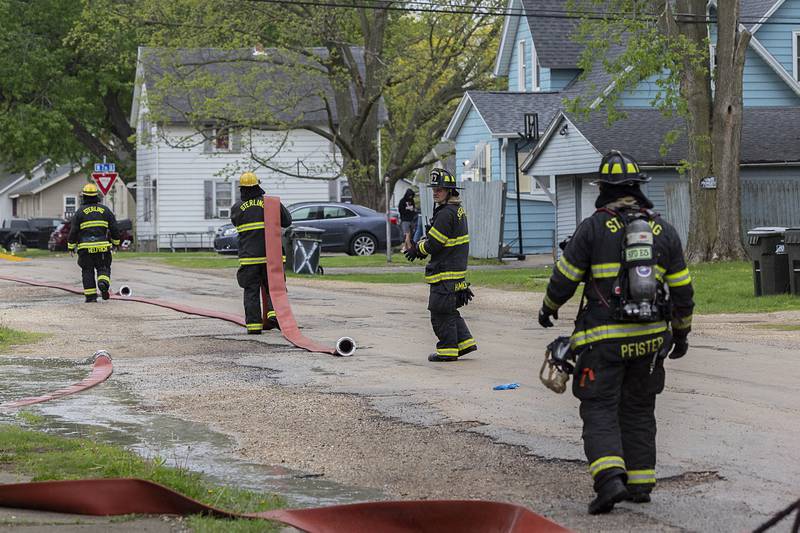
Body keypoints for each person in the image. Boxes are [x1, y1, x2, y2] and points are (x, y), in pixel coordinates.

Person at [537, 150, 694, 514]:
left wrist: (548, 308)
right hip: (652, 342)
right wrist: (681, 335)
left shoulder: (593, 227)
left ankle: (609, 481)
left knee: (600, 408)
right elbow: (683, 293)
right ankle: (639, 484)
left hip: (602, 343)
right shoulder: (663, 231)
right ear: (639, 188)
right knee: (639, 408)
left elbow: (564, 279)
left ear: (603, 189)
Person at [404, 168, 476, 362]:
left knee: (439, 313)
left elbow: (435, 243)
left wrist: (416, 249)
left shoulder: (446, 214)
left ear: (450, 191)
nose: (436, 192)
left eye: (440, 189)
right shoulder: (456, 210)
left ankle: (447, 350)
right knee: (449, 310)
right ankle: (464, 343)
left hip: (445, 273)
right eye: (434, 189)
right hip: (455, 271)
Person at [231, 171, 292, 334]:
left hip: (250, 259)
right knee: (275, 288)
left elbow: (236, 222)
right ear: (258, 185)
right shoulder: (272, 203)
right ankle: (275, 316)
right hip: (273, 257)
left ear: (242, 189)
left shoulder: (237, 208)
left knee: (251, 290)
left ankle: (254, 327)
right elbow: (287, 221)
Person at [67, 183, 121, 303]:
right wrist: (116, 242)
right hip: (102, 248)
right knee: (103, 268)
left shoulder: (79, 212)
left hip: (85, 249)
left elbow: (73, 231)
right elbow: (114, 228)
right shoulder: (106, 211)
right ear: (97, 196)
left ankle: (91, 297)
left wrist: (71, 246)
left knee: (87, 271)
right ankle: (103, 282)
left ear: (84, 197)